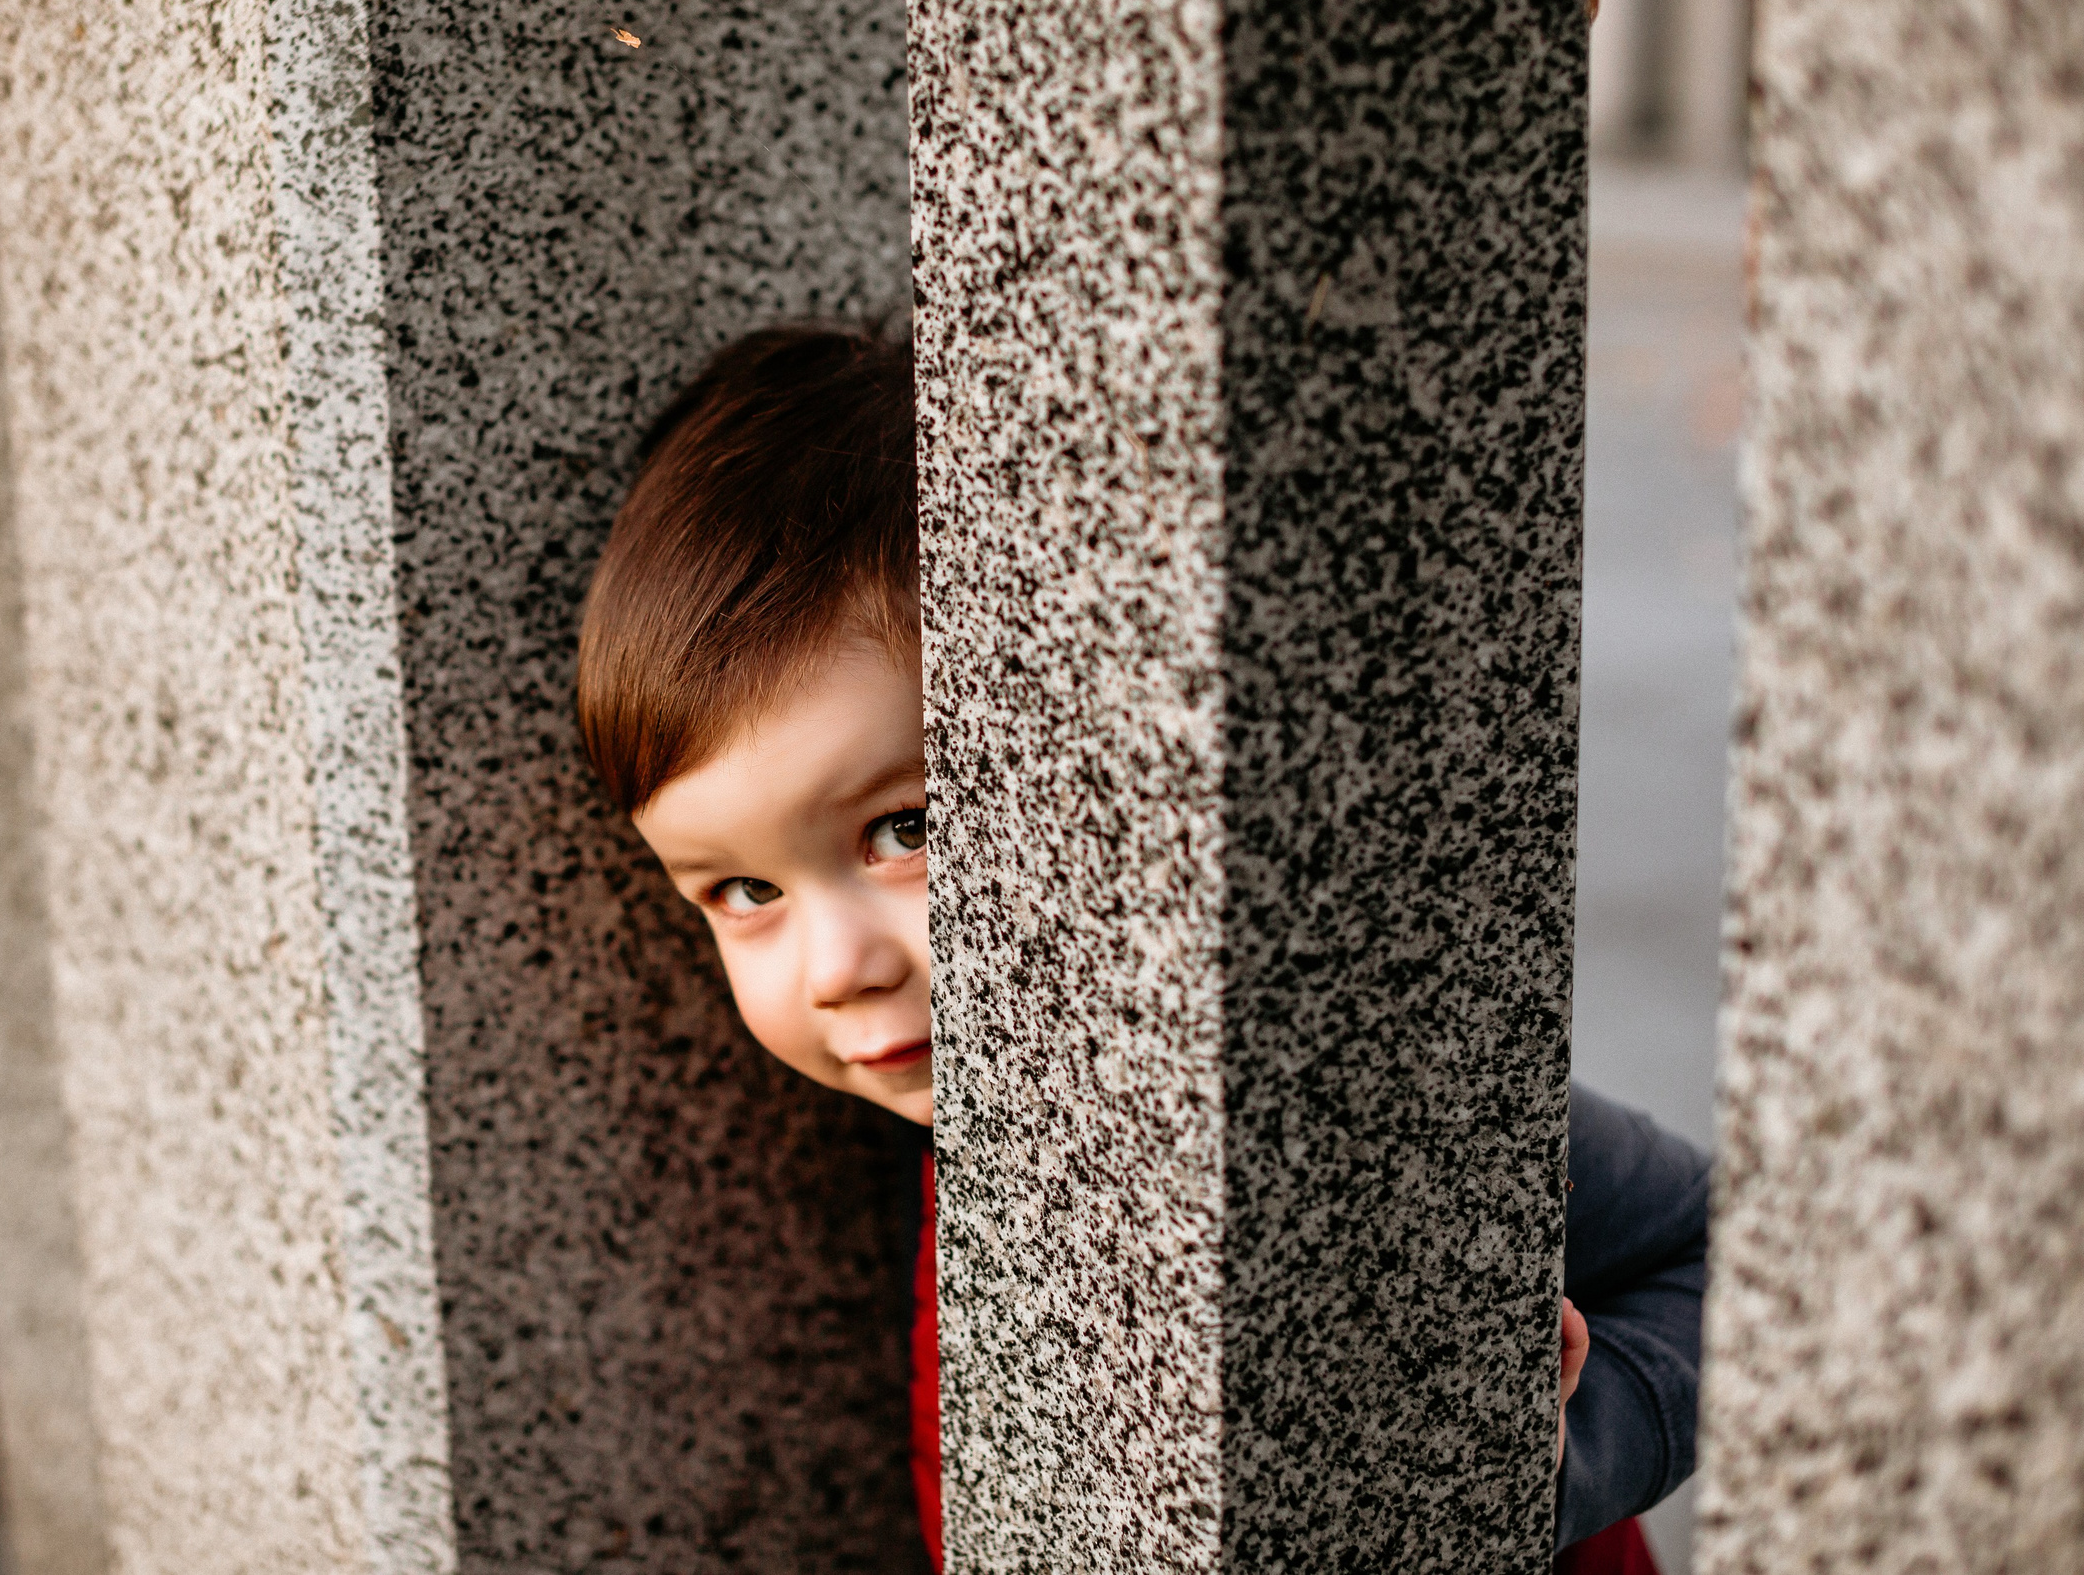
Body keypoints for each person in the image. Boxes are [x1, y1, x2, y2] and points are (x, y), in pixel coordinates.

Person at [575, 323, 1709, 1572]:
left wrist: (1528, 1467)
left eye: (906, 829)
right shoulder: (965, 1145)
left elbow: (1713, 1245)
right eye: (745, 889)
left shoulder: (1343, 1095)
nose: (835, 968)